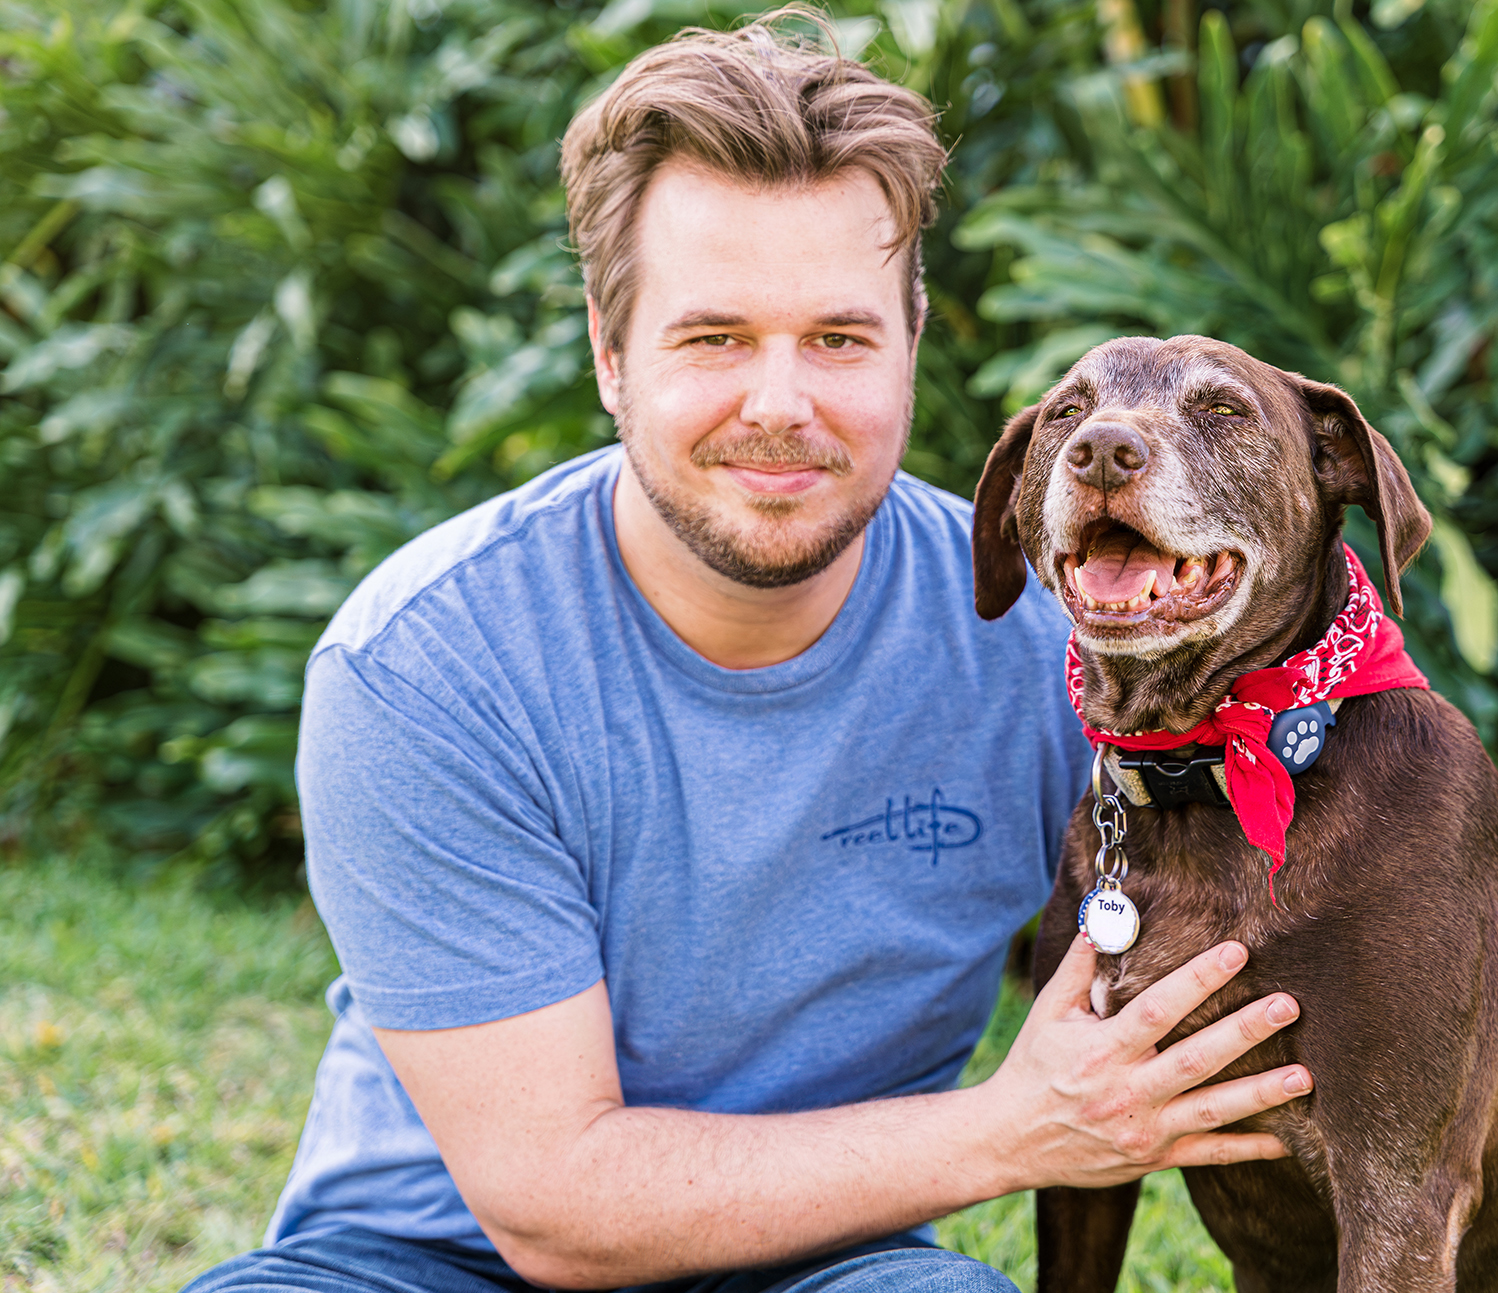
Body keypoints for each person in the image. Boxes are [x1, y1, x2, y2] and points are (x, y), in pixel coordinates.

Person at [184, 14, 1312, 1293]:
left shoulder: (1054, 651)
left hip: (822, 1274)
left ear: (908, 350)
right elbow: (555, 1206)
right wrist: (1009, 1131)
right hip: (416, 1266)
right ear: (611, 360)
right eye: (714, 337)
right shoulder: (430, 668)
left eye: (836, 339)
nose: (779, 405)